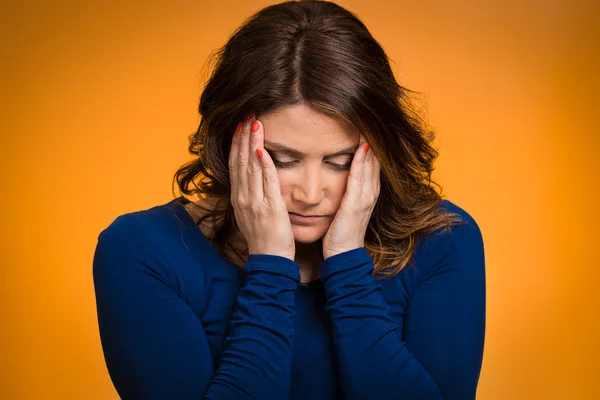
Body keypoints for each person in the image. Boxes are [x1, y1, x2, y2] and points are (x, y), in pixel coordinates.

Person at [92, 1, 486, 399]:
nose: (311, 194)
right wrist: (271, 264)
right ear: (229, 141)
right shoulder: (142, 250)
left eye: (340, 162)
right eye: (282, 160)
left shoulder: (443, 240)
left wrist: (348, 263)